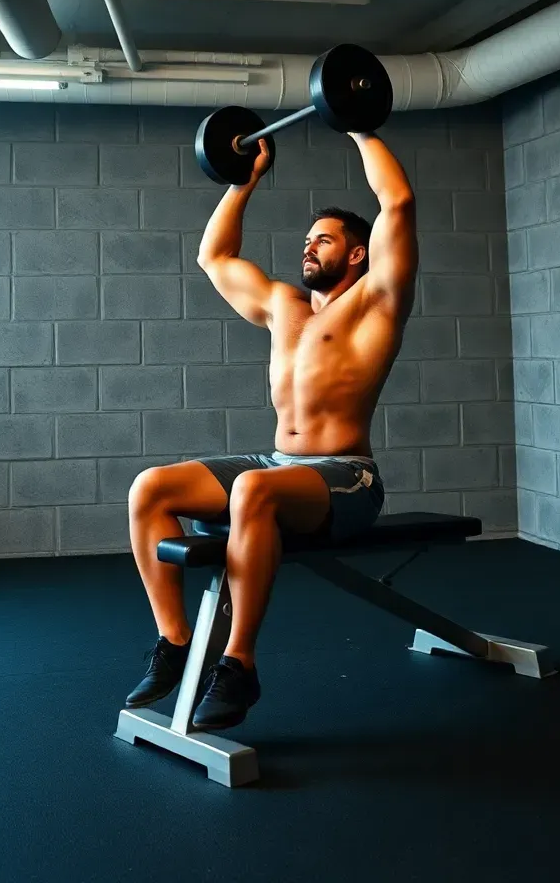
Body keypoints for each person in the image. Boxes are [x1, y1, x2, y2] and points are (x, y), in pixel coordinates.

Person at [126, 129, 418, 730]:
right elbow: (215, 258)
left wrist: (358, 125)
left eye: (324, 241)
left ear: (358, 254)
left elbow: (398, 204)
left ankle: (240, 664)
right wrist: (243, 181)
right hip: (277, 463)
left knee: (251, 492)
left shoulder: (377, 301)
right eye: (308, 240)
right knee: (150, 488)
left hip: (346, 477)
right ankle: (176, 642)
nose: (308, 249)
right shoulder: (284, 306)